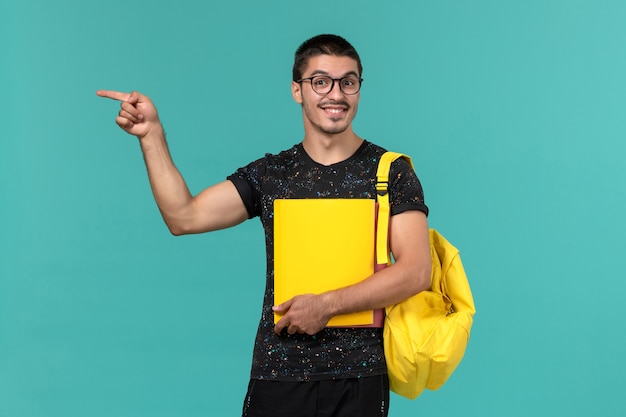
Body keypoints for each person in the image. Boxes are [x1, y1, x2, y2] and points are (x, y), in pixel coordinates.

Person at [97, 34, 432, 417]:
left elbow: (416, 271)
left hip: (359, 378)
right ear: (297, 90)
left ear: (359, 89)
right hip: (279, 374)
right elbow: (183, 217)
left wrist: (326, 305)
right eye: (320, 81)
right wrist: (152, 136)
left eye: (348, 82)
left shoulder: (390, 173)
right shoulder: (272, 174)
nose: (335, 94)